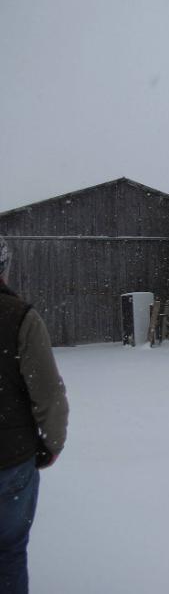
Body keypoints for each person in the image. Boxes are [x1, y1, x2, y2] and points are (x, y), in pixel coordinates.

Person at [0, 236, 69, 593]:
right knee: (8, 551)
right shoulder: (20, 318)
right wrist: (53, 441)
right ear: (4, 269)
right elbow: (48, 392)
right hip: (10, 459)